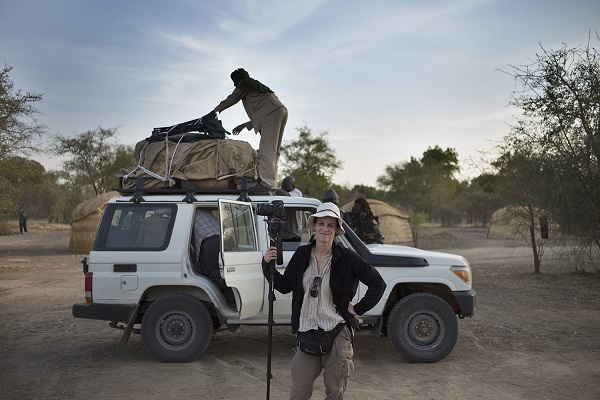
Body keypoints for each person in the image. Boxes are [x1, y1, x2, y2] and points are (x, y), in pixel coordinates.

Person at [262, 202, 386, 399]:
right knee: (299, 392)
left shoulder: (347, 257)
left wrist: (359, 308)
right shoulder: (302, 254)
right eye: (321, 223)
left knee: (334, 392)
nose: (325, 229)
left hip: (337, 333)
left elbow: (377, 282)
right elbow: (285, 286)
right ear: (314, 226)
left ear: (337, 230)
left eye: (330, 225)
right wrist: (267, 266)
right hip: (307, 332)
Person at [207, 68, 288, 191]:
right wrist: (245, 125)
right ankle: (272, 183)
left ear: (239, 80)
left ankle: (266, 183)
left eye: (235, 82)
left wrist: (214, 111)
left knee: (267, 150)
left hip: (272, 112)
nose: (234, 85)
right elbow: (264, 111)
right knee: (274, 150)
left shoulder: (245, 84)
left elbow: (231, 99)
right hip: (279, 110)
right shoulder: (256, 87)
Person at [192, 209, 223, 285]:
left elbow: (160, 211)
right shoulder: (206, 212)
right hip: (221, 239)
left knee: (208, 272)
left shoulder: (190, 210)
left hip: (210, 242)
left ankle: (226, 277)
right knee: (218, 266)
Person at [276, 176, 303, 242]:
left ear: (293, 186)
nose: (284, 189)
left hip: (294, 234)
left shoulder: (297, 193)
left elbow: (287, 196)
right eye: (283, 187)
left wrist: (273, 189)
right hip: (282, 234)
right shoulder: (281, 190)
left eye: (286, 187)